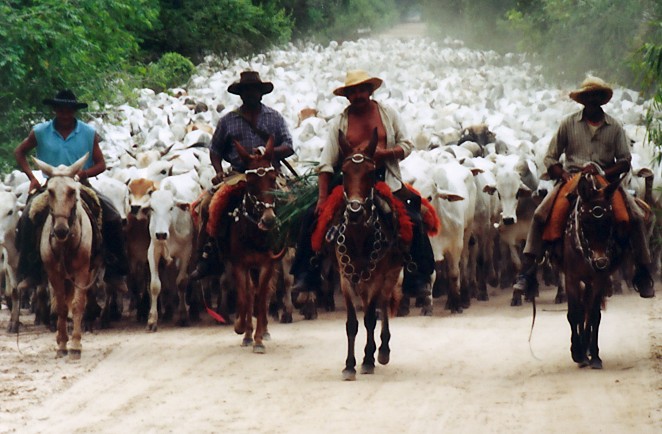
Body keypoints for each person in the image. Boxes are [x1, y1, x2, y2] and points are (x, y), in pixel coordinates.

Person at [290, 70, 435, 297]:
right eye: (352, 92)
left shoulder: (388, 114)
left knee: (414, 217)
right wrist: (321, 198)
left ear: (370, 91)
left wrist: (385, 154)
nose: (357, 95)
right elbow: (327, 163)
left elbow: (407, 145)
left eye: (361, 90)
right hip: (350, 183)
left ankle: (417, 276)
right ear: (347, 96)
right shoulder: (340, 122)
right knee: (311, 218)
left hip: (385, 179)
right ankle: (307, 273)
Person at [514, 76, 655, 299]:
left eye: (596, 97)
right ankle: (528, 270)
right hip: (572, 181)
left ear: (602, 100)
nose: (592, 101)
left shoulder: (614, 126)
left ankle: (643, 271)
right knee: (541, 215)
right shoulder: (568, 124)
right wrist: (563, 174)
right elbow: (551, 158)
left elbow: (625, 160)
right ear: (583, 100)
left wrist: (603, 173)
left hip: (605, 182)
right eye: (588, 97)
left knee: (635, 217)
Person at [14, 89, 129, 290]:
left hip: (79, 184)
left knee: (113, 217)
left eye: (69, 110)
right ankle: (31, 270)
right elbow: (20, 152)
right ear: (55, 110)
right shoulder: (40, 131)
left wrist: (83, 174)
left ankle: (115, 270)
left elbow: (101, 163)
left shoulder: (88, 132)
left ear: (74, 111)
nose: (65, 114)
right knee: (26, 219)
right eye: (61, 110)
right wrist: (32, 177)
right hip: (50, 186)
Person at [190, 71, 294, 280]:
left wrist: (268, 153)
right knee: (208, 204)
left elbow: (289, 146)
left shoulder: (274, 117)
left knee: (292, 203)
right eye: (246, 90)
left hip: (269, 173)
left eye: (254, 90)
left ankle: (297, 252)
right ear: (240, 94)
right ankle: (208, 255)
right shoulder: (228, 121)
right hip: (240, 173)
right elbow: (215, 150)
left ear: (261, 93)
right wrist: (219, 172)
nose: (250, 94)